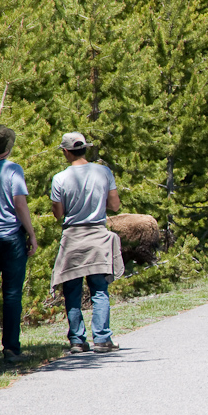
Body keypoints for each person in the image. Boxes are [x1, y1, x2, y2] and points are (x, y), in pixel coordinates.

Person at [50, 132, 124, 354]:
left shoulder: (59, 178)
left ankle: (77, 341)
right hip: (98, 236)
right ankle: (102, 339)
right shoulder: (103, 172)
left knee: (71, 289)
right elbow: (115, 205)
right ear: (85, 149)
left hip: (73, 237)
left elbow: (58, 214)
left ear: (65, 151)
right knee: (99, 290)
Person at [0, 125, 38, 364]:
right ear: (8, 146)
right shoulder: (13, 169)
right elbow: (20, 204)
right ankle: (11, 349)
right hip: (10, 237)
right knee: (12, 294)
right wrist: (32, 234)